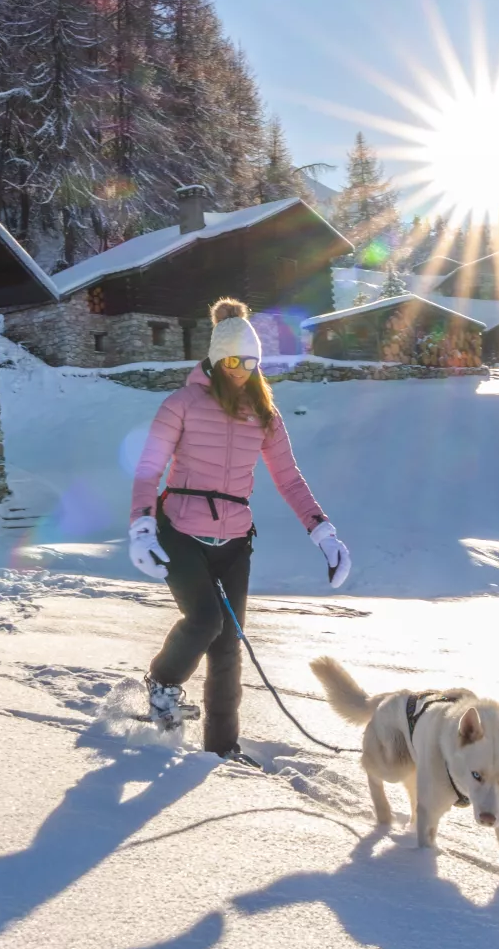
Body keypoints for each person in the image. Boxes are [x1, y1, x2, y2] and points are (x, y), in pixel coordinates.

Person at [128, 297, 352, 763]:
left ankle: (222, 748)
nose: (241, 370)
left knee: (229, 644)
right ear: (214, 359)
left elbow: (289, 478)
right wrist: (142, 527)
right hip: (180, 532)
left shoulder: (264, 414)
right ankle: (163, 685)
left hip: (234, 539)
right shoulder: (182, 404)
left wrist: (323, 533)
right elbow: (148, 469)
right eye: (232, 360)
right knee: (205, 621)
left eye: (250, 362)